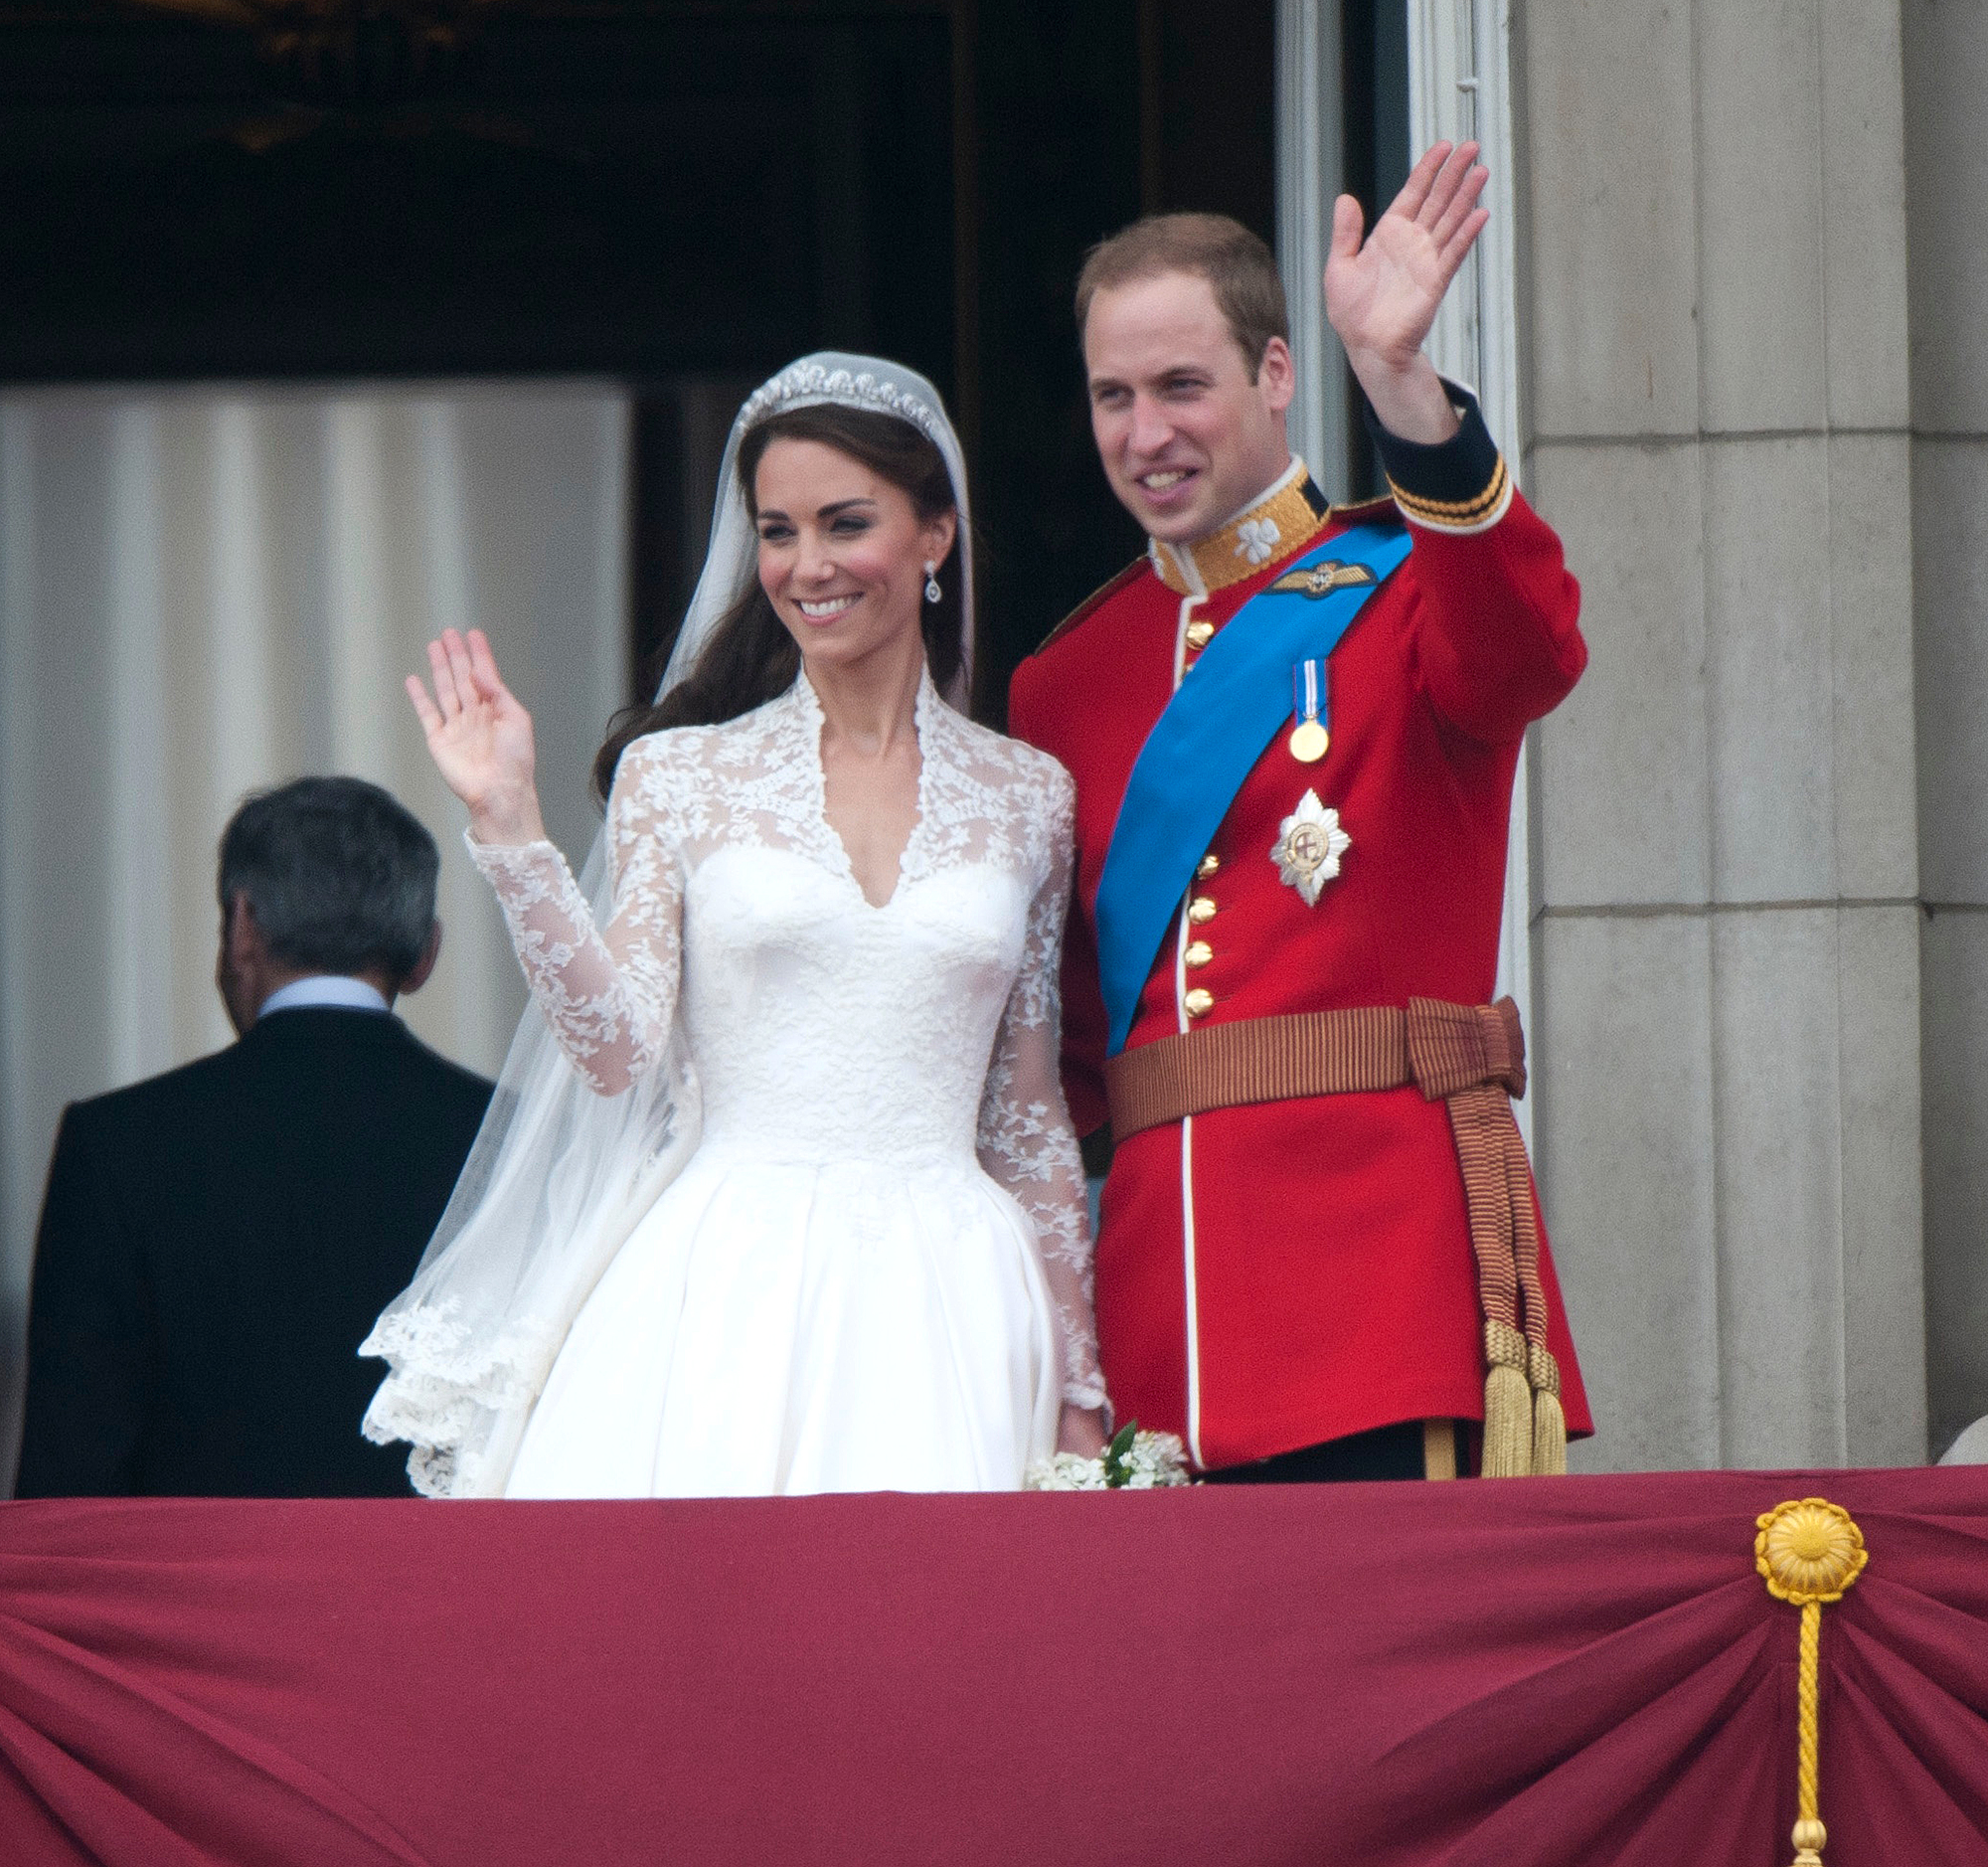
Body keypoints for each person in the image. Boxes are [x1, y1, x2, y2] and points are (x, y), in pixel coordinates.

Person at [362, 354, 1109, 1498]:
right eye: (776, 531)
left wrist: (1078, 1385)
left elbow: (1026, 1114)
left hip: (956, 1297)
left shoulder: (1029, 797)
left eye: (844, 523)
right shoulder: (678, 775)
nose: (806, 565)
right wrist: (510, 828)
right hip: (725, 1284)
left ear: (934, 535)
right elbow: (615, 1055)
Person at [1007, 144, 1593, 1483]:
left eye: (1181, 386)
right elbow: (1065, 1040)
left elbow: (1529, 654)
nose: (1144, 434)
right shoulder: (1066, 679)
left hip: (1379, 1293)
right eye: (1112, 396)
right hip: (1158, 1316)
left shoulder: (1408, 584)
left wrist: (1399, 382)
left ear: (1275, 375)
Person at [14, 777, 491, 1498]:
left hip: (185, 1576)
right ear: (426, 952)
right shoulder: (507, 1141)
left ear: (241, 926)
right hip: (446, 1573)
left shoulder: (114, 1144)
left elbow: (66, 1489)